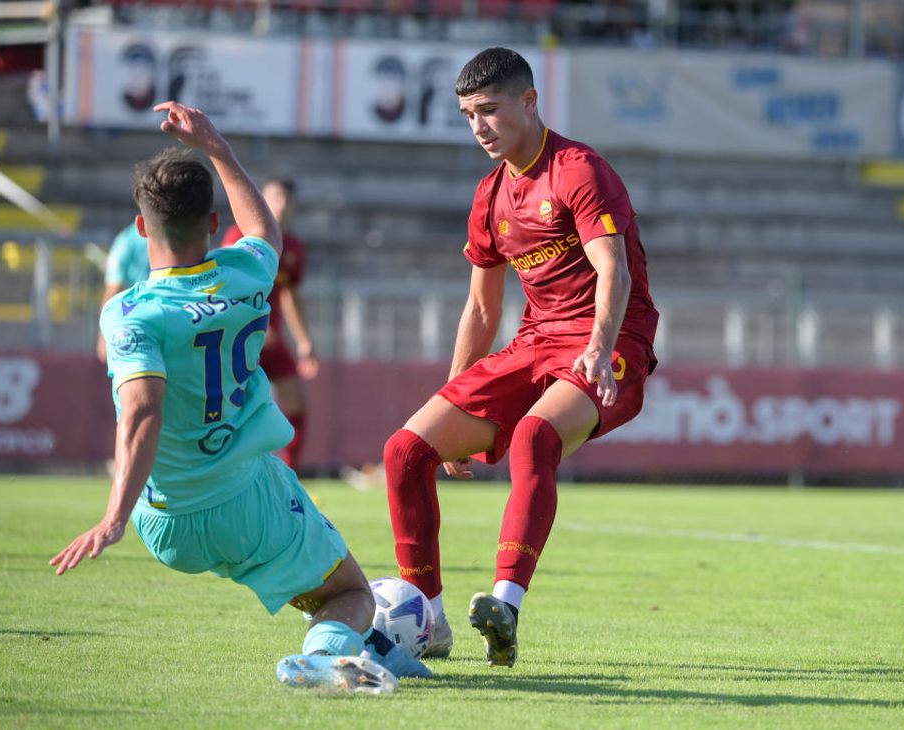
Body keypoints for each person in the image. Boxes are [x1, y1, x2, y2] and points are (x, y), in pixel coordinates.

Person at [50, 101, 430, 692]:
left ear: (141, 226)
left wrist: (116, 518)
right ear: (210, 224)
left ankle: (382, 650)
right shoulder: (247, 272)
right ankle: (330, 655)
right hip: (246, 500)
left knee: (310, 566)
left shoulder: (127, 314)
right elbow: (264, 230)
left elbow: (143, 412)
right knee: (352, 592)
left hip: (166, 523)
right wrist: (216, 145)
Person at [383, 47, 658, 667]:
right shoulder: (489, 196)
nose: (479, 127)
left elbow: (611, 270)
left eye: (489, 110)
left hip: (609, 340)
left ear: (529, 102)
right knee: (405, 451)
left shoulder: (579, 170)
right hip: (535, 343)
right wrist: (452, 395)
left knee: (536, 435)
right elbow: (482, 310)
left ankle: (505, 603)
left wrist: (599, 347)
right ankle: (427, 618)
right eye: (467, 115)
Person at [220, 178, 318, 472]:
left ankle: (290, 471)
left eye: (287, 198)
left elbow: (290, 294)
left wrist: (304, 340)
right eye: (275, 197)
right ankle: (228, 468)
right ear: (261, 200)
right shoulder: (241, 235)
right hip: (239, 336)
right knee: (231, 407)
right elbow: (227, 283)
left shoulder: (293, 247)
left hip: (270, 339)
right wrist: (252, 321)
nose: (282, 204)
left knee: (297, 400)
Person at [95, 221, 150, 363]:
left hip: (136, 326)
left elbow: (113, 288)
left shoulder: (126, 241)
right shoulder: (178, 232)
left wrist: (104, 334)